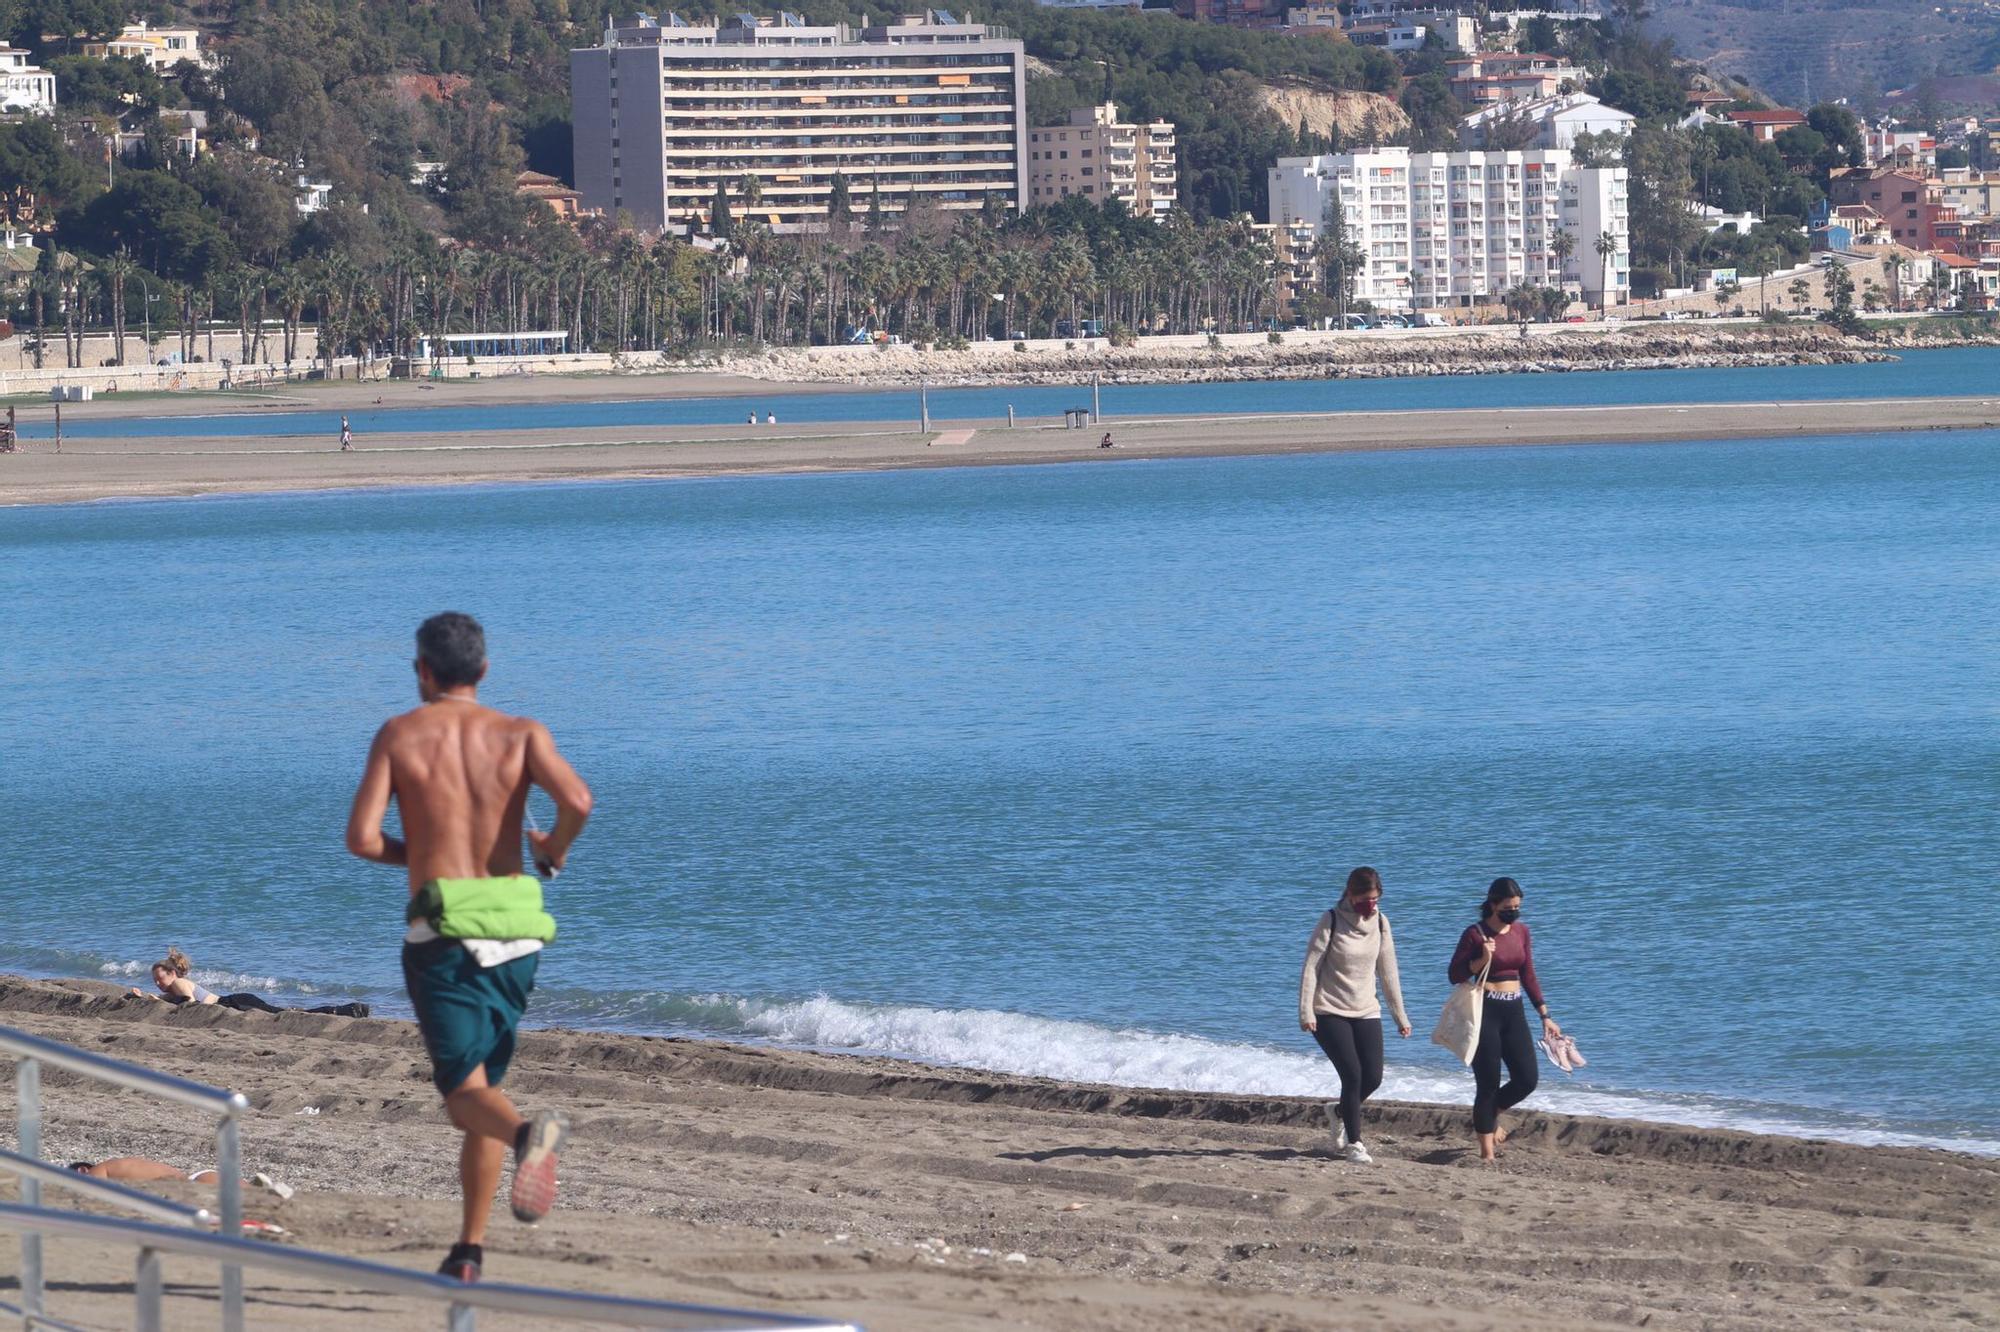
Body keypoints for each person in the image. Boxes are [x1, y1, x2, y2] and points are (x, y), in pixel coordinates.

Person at [346, 611, 593, 1283]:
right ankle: (469, 1248)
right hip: (518, 932)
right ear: (483, 672)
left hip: (447, 934)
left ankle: (527, 1139)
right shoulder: (521, 733)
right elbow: (578, 798)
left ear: (423, 671)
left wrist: (423, 855)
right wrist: (553, 849)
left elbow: (363, 839)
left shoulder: (401, 733)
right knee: (488, 1086)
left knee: (461, 1094)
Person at [1298, 867, 1411, 1164]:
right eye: (1364, 899)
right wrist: (1305, 1011)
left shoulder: (1382, 924)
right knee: (1352, 1074)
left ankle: (1338, 1112)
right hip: (1328, 1010)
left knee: (1372, 1077)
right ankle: (1355, 1143)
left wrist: (1400, 1016)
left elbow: (1388, 973)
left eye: (1374, 900)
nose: (1369, 906)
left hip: (1366, 1009)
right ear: (1350, 893)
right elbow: (1311, 967)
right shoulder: (1332, 920)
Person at [1449, 877, 1562, 1162]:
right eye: (1508, 907)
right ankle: (1487, 1153)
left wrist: (1545, 1015)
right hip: (1485, 1010)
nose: (1514, 912)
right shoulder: (1475, 934)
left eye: (1517, 907)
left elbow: (1529, 975)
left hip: (1514, 1010)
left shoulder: (1521, 932)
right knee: (1487, 1083)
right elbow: (1455, 975)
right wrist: (1482, 958)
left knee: (1527, 1078)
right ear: (1493, 904)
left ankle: (1488, 1114)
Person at [127, 948, 369, 1017]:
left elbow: (187, 1003)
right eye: (155, 980)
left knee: (286, 1014)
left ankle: (345, 1010)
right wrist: (148, 998)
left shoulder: (179, 984)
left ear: (172, 974)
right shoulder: (174, 987)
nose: (158, 983)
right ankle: (345, 1010)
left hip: (235, 1003)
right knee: (287, 1013)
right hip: (236, 1001)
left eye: (160, 978)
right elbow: (169, 999)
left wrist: (160, 1002)